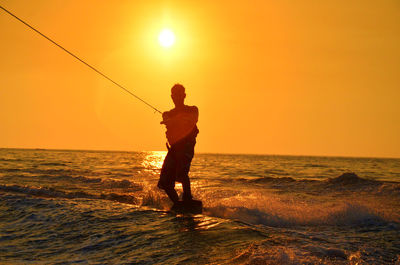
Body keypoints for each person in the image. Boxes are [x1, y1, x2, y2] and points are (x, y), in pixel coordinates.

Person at [158, 84, 199, 207]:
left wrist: (175, 120)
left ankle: (188, 199)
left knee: (181, 174)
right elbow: (164, 116)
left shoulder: (192, 109)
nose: (177, 97)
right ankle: (177, 203)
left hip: (186, 148)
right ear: (171, 97)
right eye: (175, 94)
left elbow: (192, 119)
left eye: (179, 94)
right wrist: (169, 120)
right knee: (164, 183)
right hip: (174, 150)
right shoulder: (169, 113)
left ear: (184, 95)